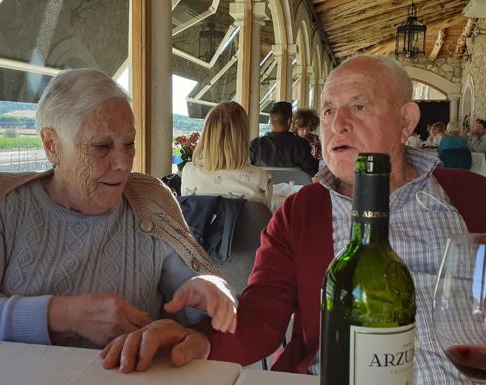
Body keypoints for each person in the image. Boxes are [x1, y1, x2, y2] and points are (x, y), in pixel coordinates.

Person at [101, 55, 486, 385]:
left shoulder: (471, 197)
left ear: (406, 120)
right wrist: (200, 339)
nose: (337, 124)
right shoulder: (301, 212)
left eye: (359, 107)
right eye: (329, 110)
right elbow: (263, 311)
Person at [0, 68, 238, 348]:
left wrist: (209, 290)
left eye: (129, 144)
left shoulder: (149, 200)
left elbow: (193, 292)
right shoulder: (1, 204)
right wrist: (63, 315)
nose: (124, 163)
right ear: (51, 145)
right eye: (101, 146)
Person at [181, 101, 272, 208]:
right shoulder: (262, 178)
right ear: (243, 137)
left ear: (207, 135)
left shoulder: (189, 172)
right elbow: (264, 219)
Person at [249, 101, 319, 176]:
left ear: (271, 120)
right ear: (289, 121)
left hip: (263, 186)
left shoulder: (255, 145)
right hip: (294, 187)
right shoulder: (301, 145)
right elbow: (312, 172)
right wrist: (314, 159)